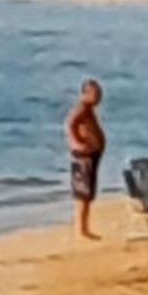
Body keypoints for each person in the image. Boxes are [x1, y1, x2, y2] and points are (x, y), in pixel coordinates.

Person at [65, 78, 106, 241]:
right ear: (86, 94)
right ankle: (82, 229)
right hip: (84, 155)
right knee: (83, 193)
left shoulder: (88, 109)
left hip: (91, 154)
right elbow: (70, 124)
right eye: (96, 95)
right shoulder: (81, 108)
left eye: (100, 95)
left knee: (87, 194)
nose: (99, 98)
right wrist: (78, 142)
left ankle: (84, 227)